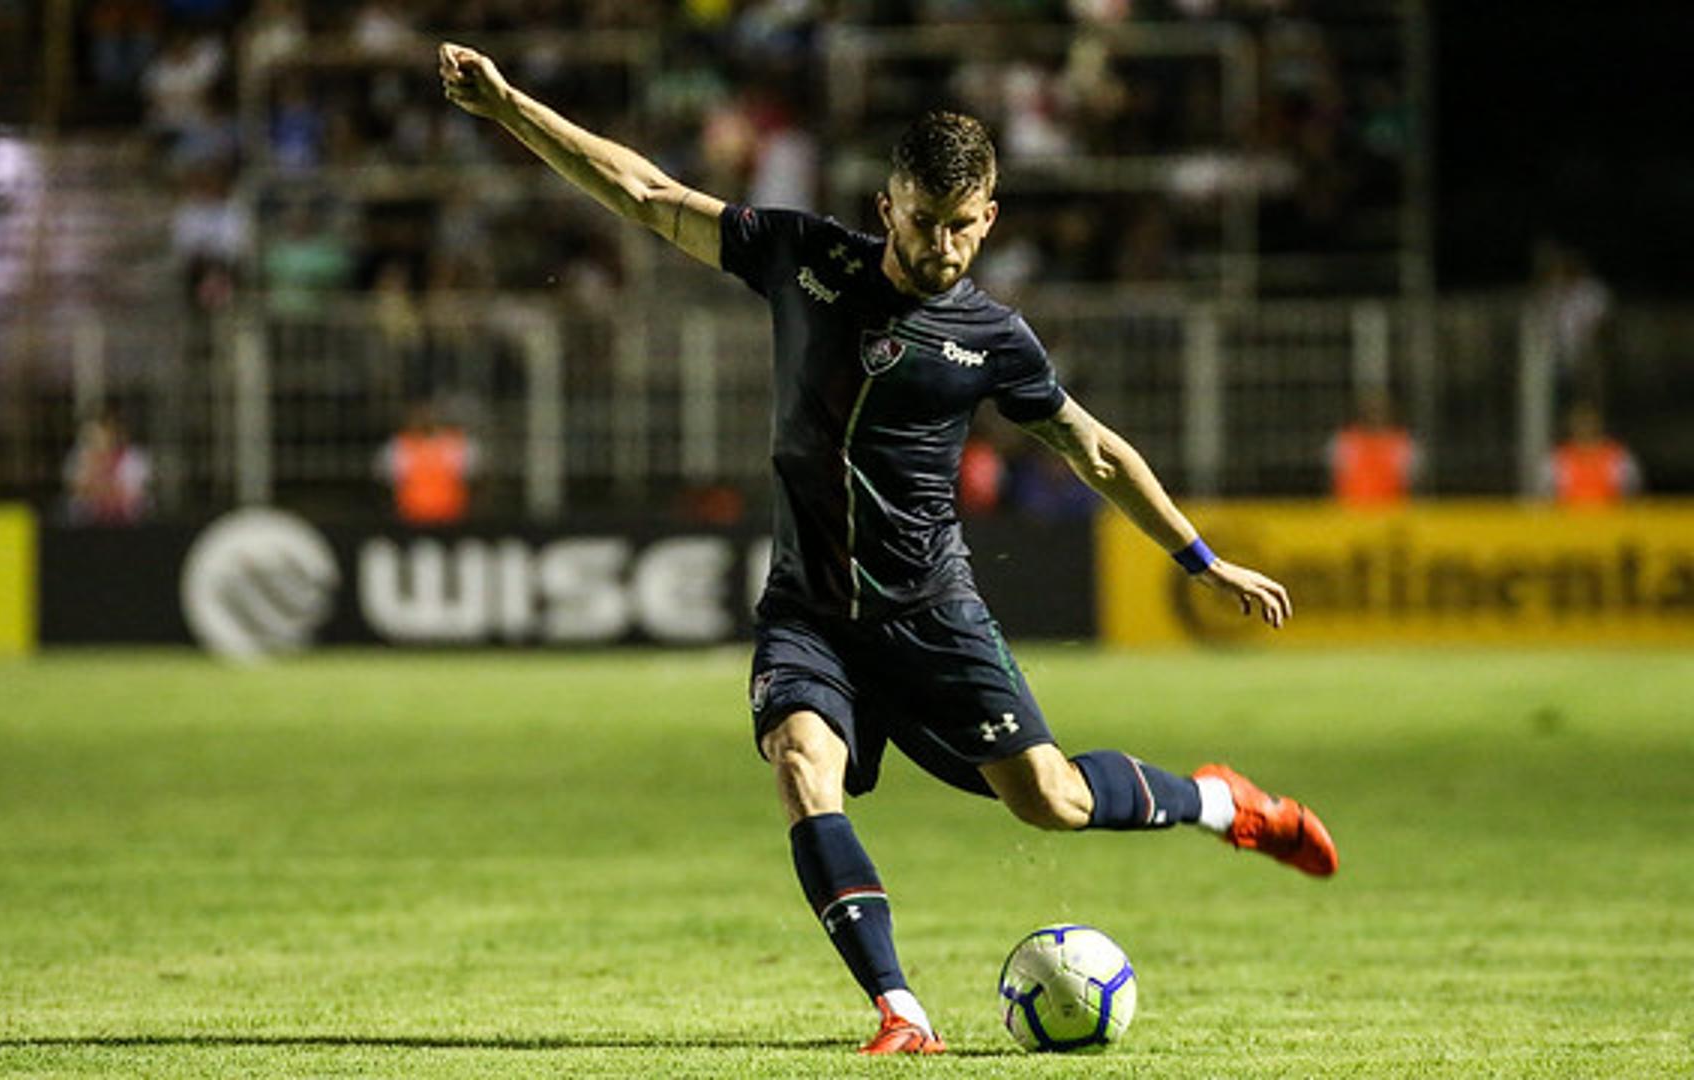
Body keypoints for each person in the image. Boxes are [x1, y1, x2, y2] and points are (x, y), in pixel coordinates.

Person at [439, 43, 1336, 1056]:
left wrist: (1201, 560)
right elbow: (646, 192)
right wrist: (509, 107)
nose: (943, 247)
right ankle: (900, 1012)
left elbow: (1093, 449)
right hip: (810, 610)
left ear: (989, 217)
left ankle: (1226, 805)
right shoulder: (803, 259)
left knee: (1051, 801)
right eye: (923, 222)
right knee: (800, 765)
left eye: (962, 227)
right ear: (885, 206)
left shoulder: (994, 338)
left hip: (932, 612)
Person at [375, 400, 474, 525]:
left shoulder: (455, 443)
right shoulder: (399, 446)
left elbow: (471, 474)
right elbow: (386, 477)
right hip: (410, 518)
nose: (425, 419)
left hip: (452, 517)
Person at [1327, 390, 1416, 508]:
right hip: (1350, 514)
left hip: (1391, 514)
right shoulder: (1345, 441)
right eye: (1371, 410)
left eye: (1379, 410)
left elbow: (1411, 484)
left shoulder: (1402, 443)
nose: (1374, 414)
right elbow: (1333, 480)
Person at [1544, 400, 1640, 508]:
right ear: (1572, 425)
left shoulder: (1617, 456)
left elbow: (1631, 495)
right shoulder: (1558, 459)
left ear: (1598, 424)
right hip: (1569, 522)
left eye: (1589, 422)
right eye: (1581, 422)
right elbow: (1547, 498)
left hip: (1611, 521)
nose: (1585, 427)